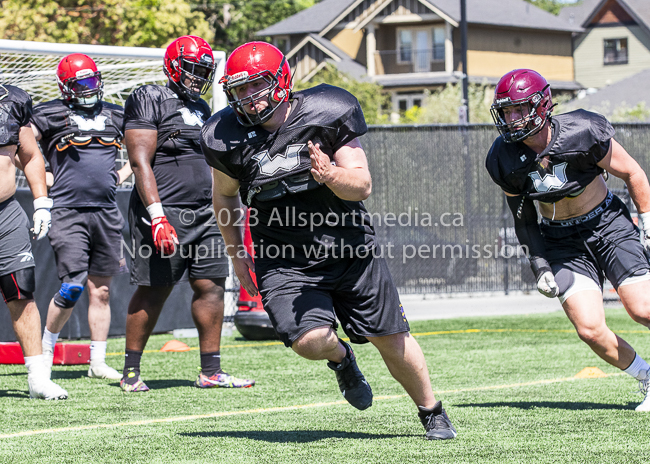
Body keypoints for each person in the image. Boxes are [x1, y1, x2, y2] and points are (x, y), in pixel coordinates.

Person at [201, 41, 457, 440]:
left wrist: (331, 176)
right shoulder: (225, 135)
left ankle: (431, 410)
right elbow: (224, 195)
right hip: (283, 257)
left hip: (350, 248)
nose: (249, 99)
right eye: (240, 89)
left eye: (257, 86)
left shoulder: (327, 110)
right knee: (308, 340)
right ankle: (343, 360)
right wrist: (237, 255)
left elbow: (362, 185)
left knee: (390, 339)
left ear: (282, 80)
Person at [486, 68, 650, 411]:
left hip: (607, 225)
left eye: (519, 109)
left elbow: (632, 171)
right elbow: (523, 217)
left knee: (643, 309)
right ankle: (647, 377)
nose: (512, 119)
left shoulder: (583, 130)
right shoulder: (501, 157)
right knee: (590, 329)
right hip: (561, 240)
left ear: (542, 105)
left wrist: (647, 221)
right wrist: (539, 264)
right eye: (506, 111)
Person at [121, 35, 254, 392]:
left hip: (206, 211)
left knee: (211, 285)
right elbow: (139, 162)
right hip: (165, 211)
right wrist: (157, 215)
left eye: (203, 71)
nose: (198, 77)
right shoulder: (149, 97)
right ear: (174, 67)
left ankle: (211, 370)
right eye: (193, 69)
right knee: (155, 288)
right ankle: (130, 371)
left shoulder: (203, 109)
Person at [30, 53, 132, 381]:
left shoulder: (115, 114)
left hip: (106, 211)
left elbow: (145, 147)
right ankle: (45, 351)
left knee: (101, 291)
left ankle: (97, 361)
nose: (90, 89)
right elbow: (21, 148)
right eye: (81, 83)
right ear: (66, 87)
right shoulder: (49, 114)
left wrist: (122, 174)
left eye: (92, 81)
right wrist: (44, 179)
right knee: (72, 286)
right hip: (67, 211)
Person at [0, 83, 68, 399]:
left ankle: (37, 377)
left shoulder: (11, 100)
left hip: (6, 213)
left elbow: (30, 155)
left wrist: (42, 201)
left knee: (21, 289)